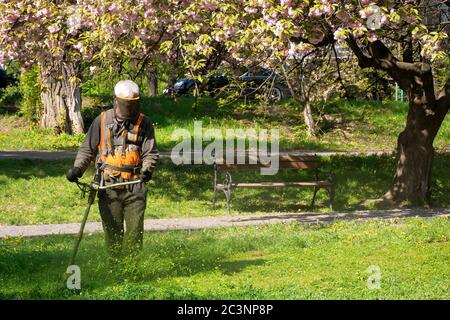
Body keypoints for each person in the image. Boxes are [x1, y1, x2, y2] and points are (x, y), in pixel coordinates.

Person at [66, 80, 159, 257]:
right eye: (127, 104)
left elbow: (150, 153)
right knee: (112, 232)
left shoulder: (144, 123)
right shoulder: (102, 120)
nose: (130, 108)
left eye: (134, 103)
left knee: (134, 234)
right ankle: (115, 270)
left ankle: (131, 272)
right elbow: (87, 149)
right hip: (108, 186)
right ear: (116, 101)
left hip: (135, 186)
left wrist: (147, 169)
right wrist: (77, 169)